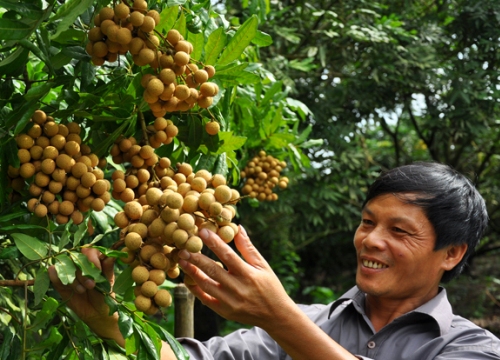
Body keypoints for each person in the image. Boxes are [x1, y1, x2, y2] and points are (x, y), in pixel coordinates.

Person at [49, 161, 500, 359]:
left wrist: (279, 317)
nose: (371, 241)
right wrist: (110, 322)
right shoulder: (306, 324)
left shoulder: (474, 349)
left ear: (453, 253)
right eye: (367, 222)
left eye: (399, 231)